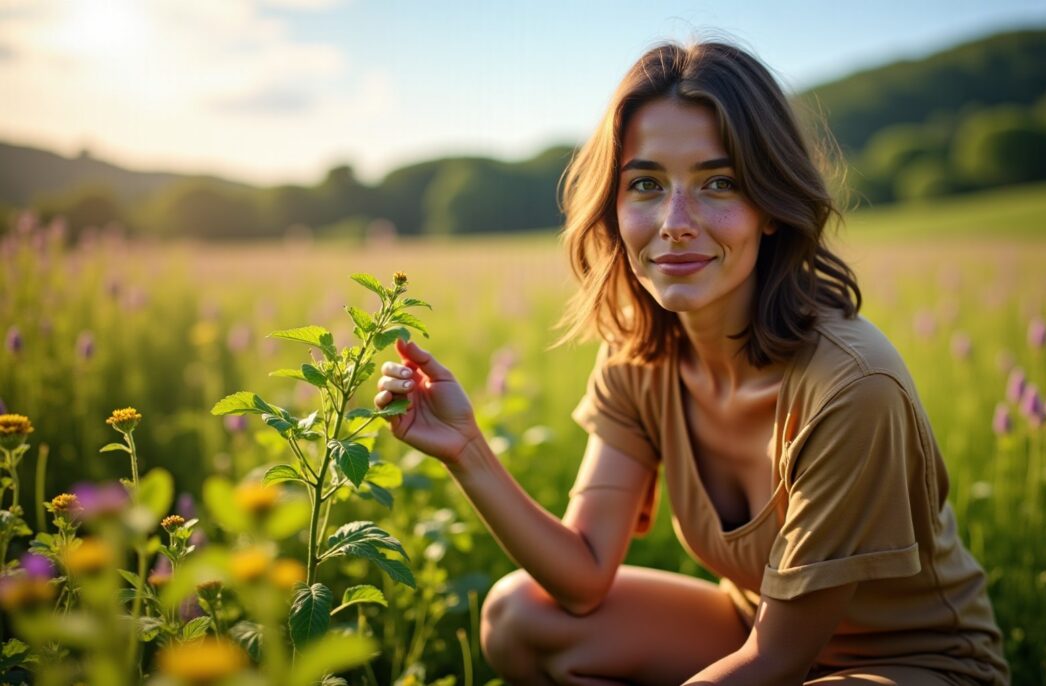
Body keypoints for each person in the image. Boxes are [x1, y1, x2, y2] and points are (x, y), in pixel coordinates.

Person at [375, 40, 1009, 685]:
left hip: (913, 666)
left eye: (718, 183)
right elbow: (584, 578)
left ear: (770, 206)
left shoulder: (852, 385)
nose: (675, 222)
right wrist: (466, 450)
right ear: (613, 206)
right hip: (752, 626)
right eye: (646, 184)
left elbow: (779, 660)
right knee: (519, 617)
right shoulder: (639, 360)